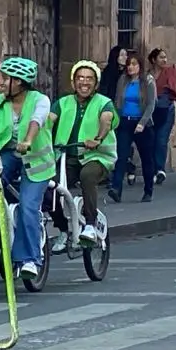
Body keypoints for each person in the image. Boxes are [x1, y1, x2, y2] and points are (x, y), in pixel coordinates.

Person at [0, 57, 54, 281]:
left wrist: (28, 140)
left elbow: (37, 120)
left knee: (28, 206)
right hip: (7, 154)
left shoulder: (39, 100)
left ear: (20, 82)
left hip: (36, 160)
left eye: (6, 79)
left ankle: (30, 259)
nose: (2, 83)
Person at [47, 60, 115, 250]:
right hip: (65, 157)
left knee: (88, 175)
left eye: (89, 79)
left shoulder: (104, 103)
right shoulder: (62, 103)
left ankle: (91, 225)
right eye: (80, 78)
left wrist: (98, 138)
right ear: (73, 81)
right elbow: (48, 122)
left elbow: (106, 120)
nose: (84, 83)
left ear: (95, 83)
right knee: (48, 186)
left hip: (97, 156)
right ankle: (62, 229)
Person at [109, 51, 156, 203]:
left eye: (134, 64)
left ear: (140, 66)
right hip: (125, 121)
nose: (130, 67)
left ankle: (148, 190)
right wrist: (115, 119)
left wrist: (142, 123)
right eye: (129, 64)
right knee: (121, 156)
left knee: (146, 158)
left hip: (141, 123)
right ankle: (116, 189)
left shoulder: (148, 81)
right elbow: (117, 101)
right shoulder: (123, 80)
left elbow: (150, 104)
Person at [148, 47, 176, 184]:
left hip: (166, 109)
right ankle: (151, 170)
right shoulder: (147, 75)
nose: (164, 60)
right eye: (161, 57)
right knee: (151, 140)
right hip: (151, 111)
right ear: (153, 60)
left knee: (161, 140)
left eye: (165, 57)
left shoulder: (170, 72)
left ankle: (160, 169)